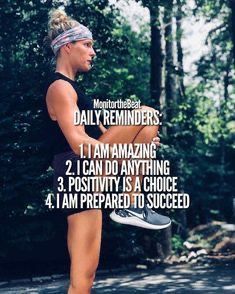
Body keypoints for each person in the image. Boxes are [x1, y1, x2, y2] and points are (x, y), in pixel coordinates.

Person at [45, 8, 171, 293]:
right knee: (146, 114)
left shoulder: (79, 94)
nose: (93, 52)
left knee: (85, 279)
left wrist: (141, 144)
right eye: (87, 45)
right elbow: (78, 142)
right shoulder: (59, 88)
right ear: (67, 46)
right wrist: (128, 153)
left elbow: (102, 135)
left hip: (90, 174)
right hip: (76, 171)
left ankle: (130, 202)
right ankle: (130, 201)